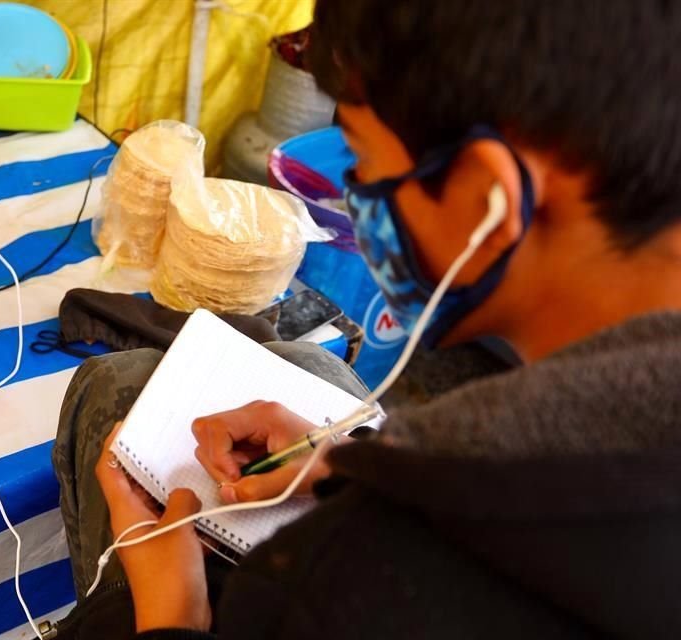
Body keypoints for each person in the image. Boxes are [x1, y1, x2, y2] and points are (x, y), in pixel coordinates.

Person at [51, 1, 681, 638]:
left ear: (488, 198)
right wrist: (345, 461)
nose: (352, 197)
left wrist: (173, 614)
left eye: (365, 166)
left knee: (114, 389)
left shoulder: (334, 585)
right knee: (304, 361)